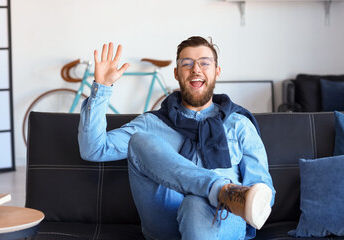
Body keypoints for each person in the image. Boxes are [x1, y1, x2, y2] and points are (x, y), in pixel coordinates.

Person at [78, 36, 275, 240]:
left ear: (217, 72)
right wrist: (101, 88)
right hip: (165, 220)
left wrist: (246, 200)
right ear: (176, 73)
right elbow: (93, 148)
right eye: (186, 63)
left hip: (222, 221)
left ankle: (222, 193)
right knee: (139, 141)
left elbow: (263, 194)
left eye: (204, 63)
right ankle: (219, 189)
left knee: (195, 204)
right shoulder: (152, 123)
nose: (196, 69)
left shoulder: (239, 124)